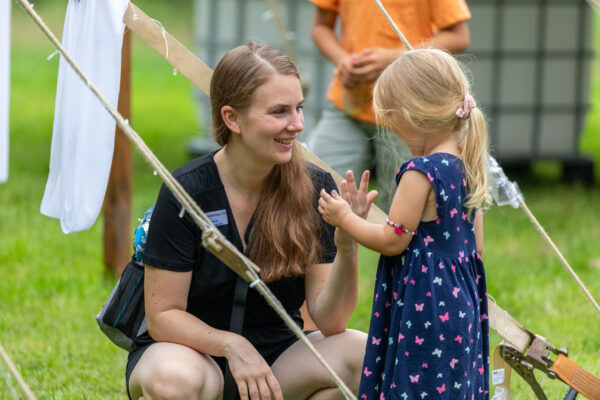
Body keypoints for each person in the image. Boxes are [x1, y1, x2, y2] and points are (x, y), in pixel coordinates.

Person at [125, 42, 374, 400]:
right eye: (279, 112)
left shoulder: (314, 188)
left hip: (277, 365)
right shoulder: (186, 190)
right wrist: (231, 345)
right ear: (232, 118)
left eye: (299, 108)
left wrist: (347, 247)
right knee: (172, 379)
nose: (298, 124)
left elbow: (330, 323)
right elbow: (163, 315)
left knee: (364, 356)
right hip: (195, 356)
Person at [317, 48, 491, 399]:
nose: (393, 130)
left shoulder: (420, 172)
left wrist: (345, 219)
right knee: (450, 381)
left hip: (426, 304)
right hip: (463, 302)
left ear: (413, 115)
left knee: (417, 381)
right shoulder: (467, 165)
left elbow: (393, 239)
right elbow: (477, 246)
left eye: (392, 121)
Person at [307, 0, 471, 211]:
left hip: (411, 115)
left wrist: (394, 58)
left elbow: (459, 36)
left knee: (405, 212)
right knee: (317, 192)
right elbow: (321, 27)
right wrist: (342, 60)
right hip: (347, 105)